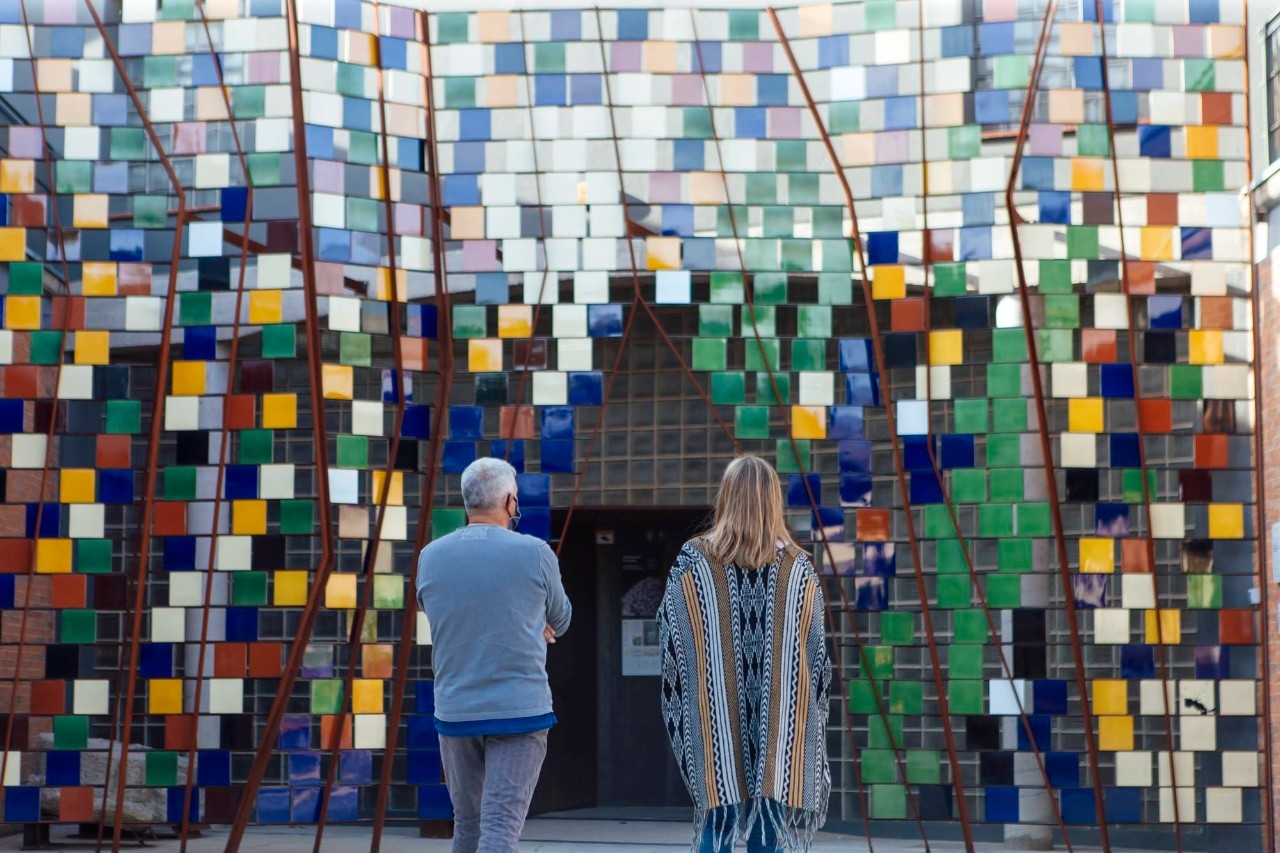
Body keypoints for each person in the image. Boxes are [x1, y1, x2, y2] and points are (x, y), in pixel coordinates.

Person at [658, 455, 832, 853]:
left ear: (726, 497)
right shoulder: (798, 569)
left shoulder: (693, 561)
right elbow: (816, 656)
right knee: (767, 829)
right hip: (782, 726)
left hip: (713, 719)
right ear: (773, 500)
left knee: (716, 822)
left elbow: (671, 640)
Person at [416, 457, 572, 853]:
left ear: (467, 502)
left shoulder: (430, 556)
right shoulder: (536, 552)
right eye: (515, 498)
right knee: (501, 826)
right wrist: (533, 618)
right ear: (509, 502)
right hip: (520, 709)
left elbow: (436, 611)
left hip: (455, 710)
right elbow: (562, 618)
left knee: (467, 824)